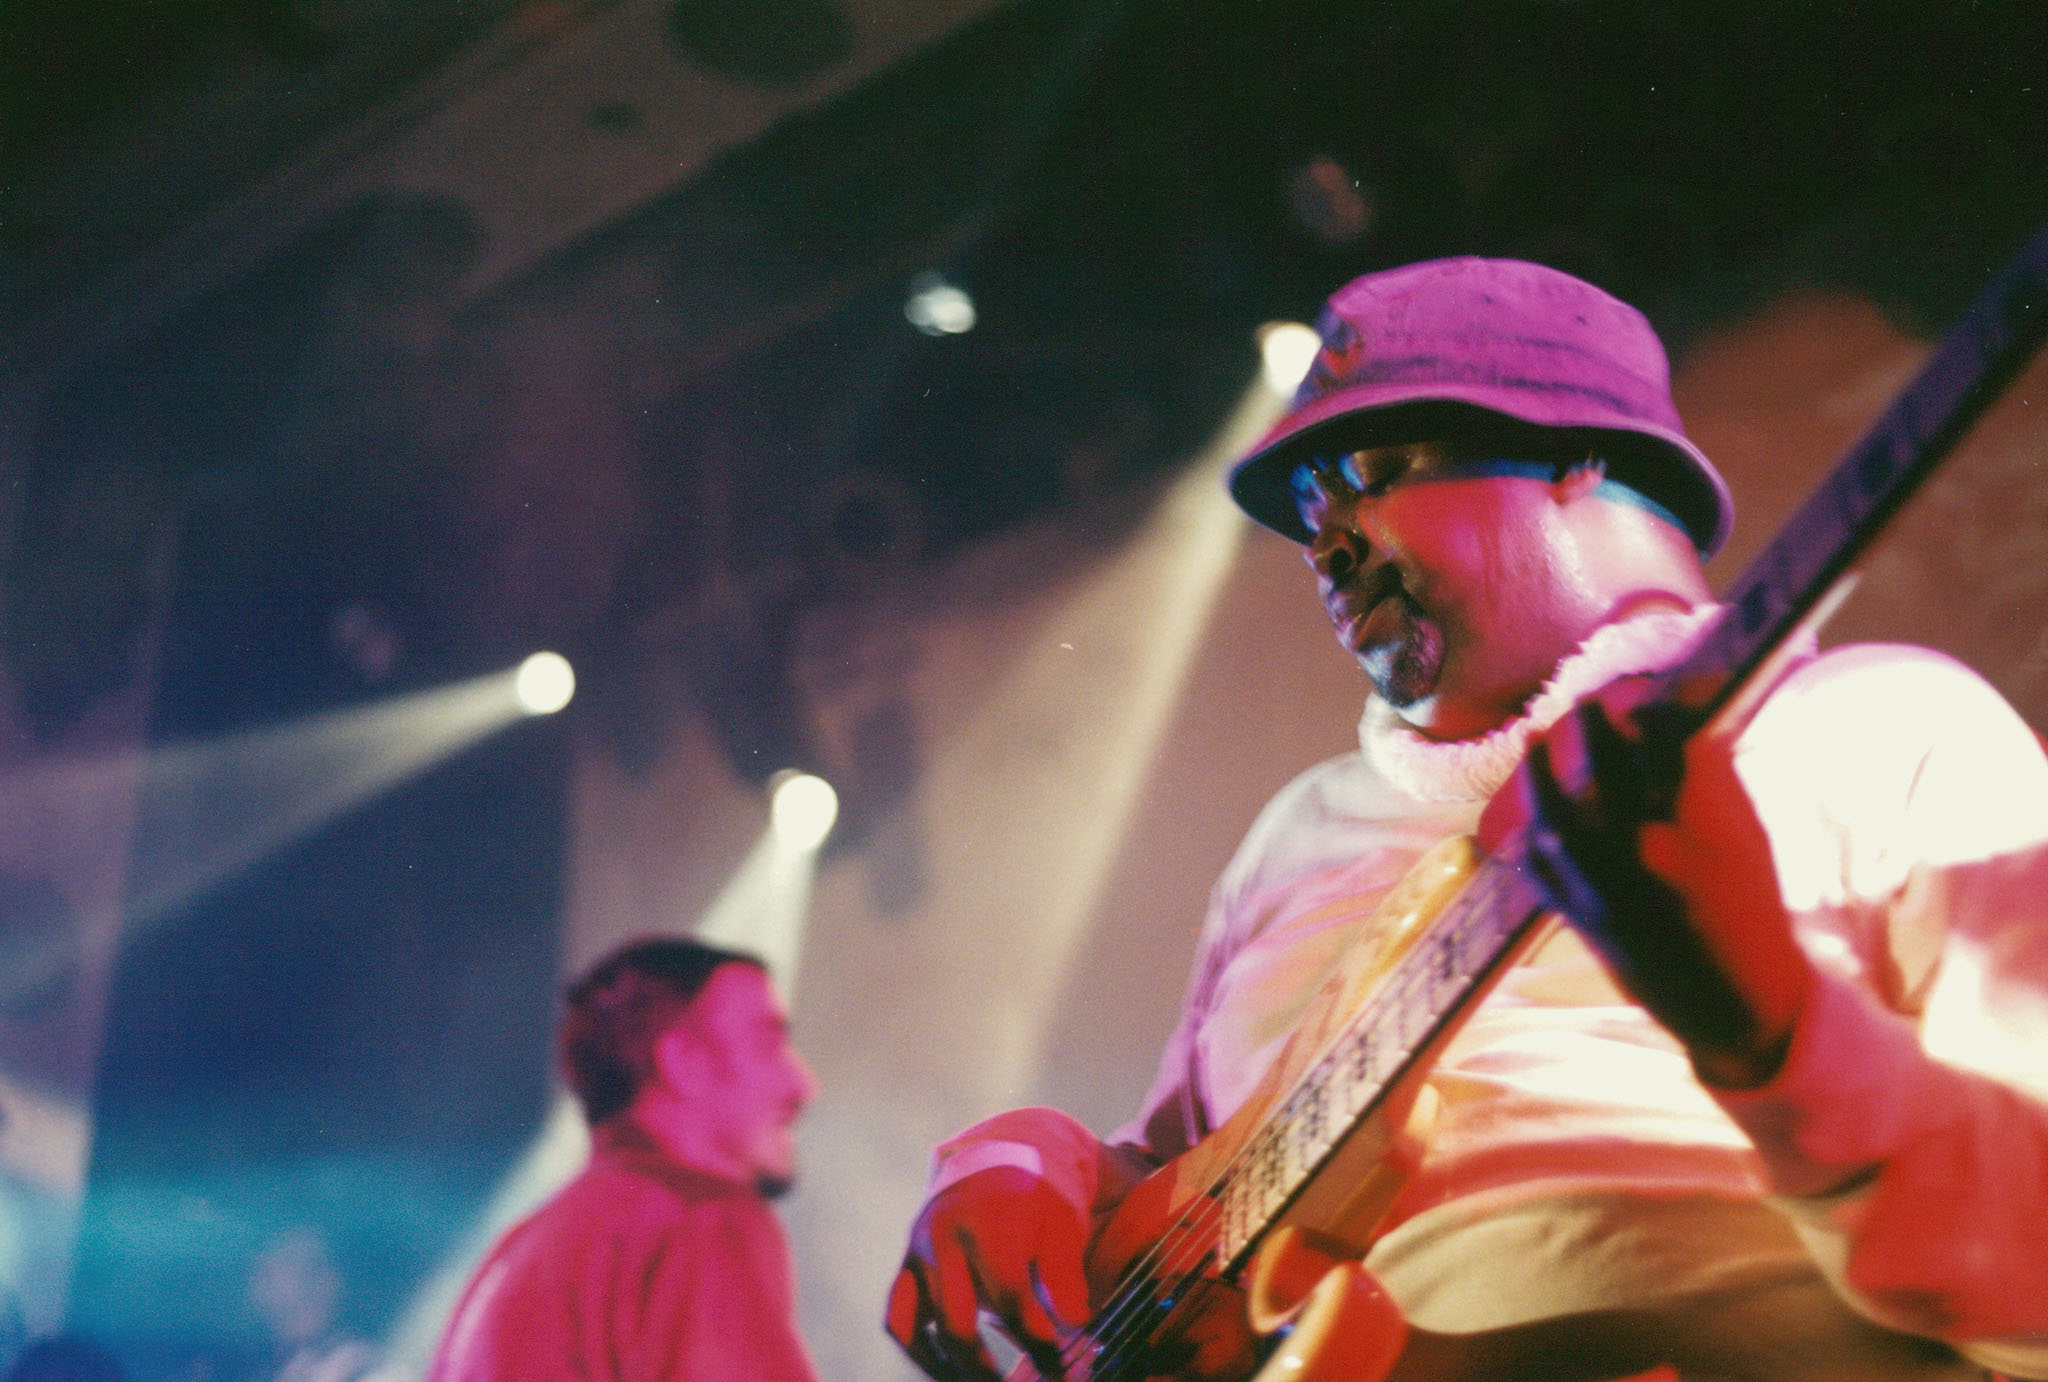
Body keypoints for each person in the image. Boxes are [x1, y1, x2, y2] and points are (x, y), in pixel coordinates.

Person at [885, 257, 2048, 1380]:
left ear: (1578, 453)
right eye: (1309, 508)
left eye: (1376, 470)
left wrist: (1768, 1024)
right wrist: (1026, 1157)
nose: (1327, 542)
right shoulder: (1298, 831)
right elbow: (1180, 1181)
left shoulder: (1882, 724)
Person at [428, 937, 821, 1382]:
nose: (803, 1083)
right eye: (767, 1044)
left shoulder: (521, 1249)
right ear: (684, 1061)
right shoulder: (701, 1218)